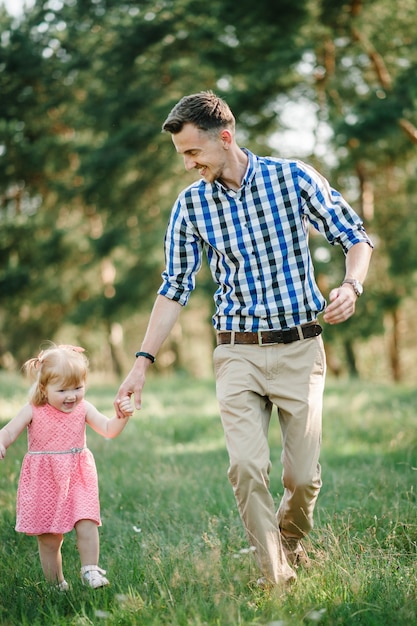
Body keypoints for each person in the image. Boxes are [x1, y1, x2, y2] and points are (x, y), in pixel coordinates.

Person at [114, 91, 373, 588]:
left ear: (225, 138)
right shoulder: (191, 206)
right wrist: (141, 363)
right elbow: (174, 289)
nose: (188, 165)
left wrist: (350, 286)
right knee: (247, 468)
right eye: (182, 156)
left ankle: (290, 548)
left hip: (300, 346)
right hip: (236, 351)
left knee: (302, 479)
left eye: (193, 153)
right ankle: (273, 576)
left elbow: (355, 236)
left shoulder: (292, 178)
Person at [0, 343, 133, 590]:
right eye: (62, 390)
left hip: (78, 475)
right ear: (44, 387)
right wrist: (1, 441)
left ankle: (90, 570)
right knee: (50, 539)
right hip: (45, 480)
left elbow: (108, 429)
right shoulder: (32, 410)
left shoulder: (83, 408)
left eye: (78, 388)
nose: (71, 396)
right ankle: (56, 584)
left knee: (87, 521)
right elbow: (9, 431)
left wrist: (121, 418)